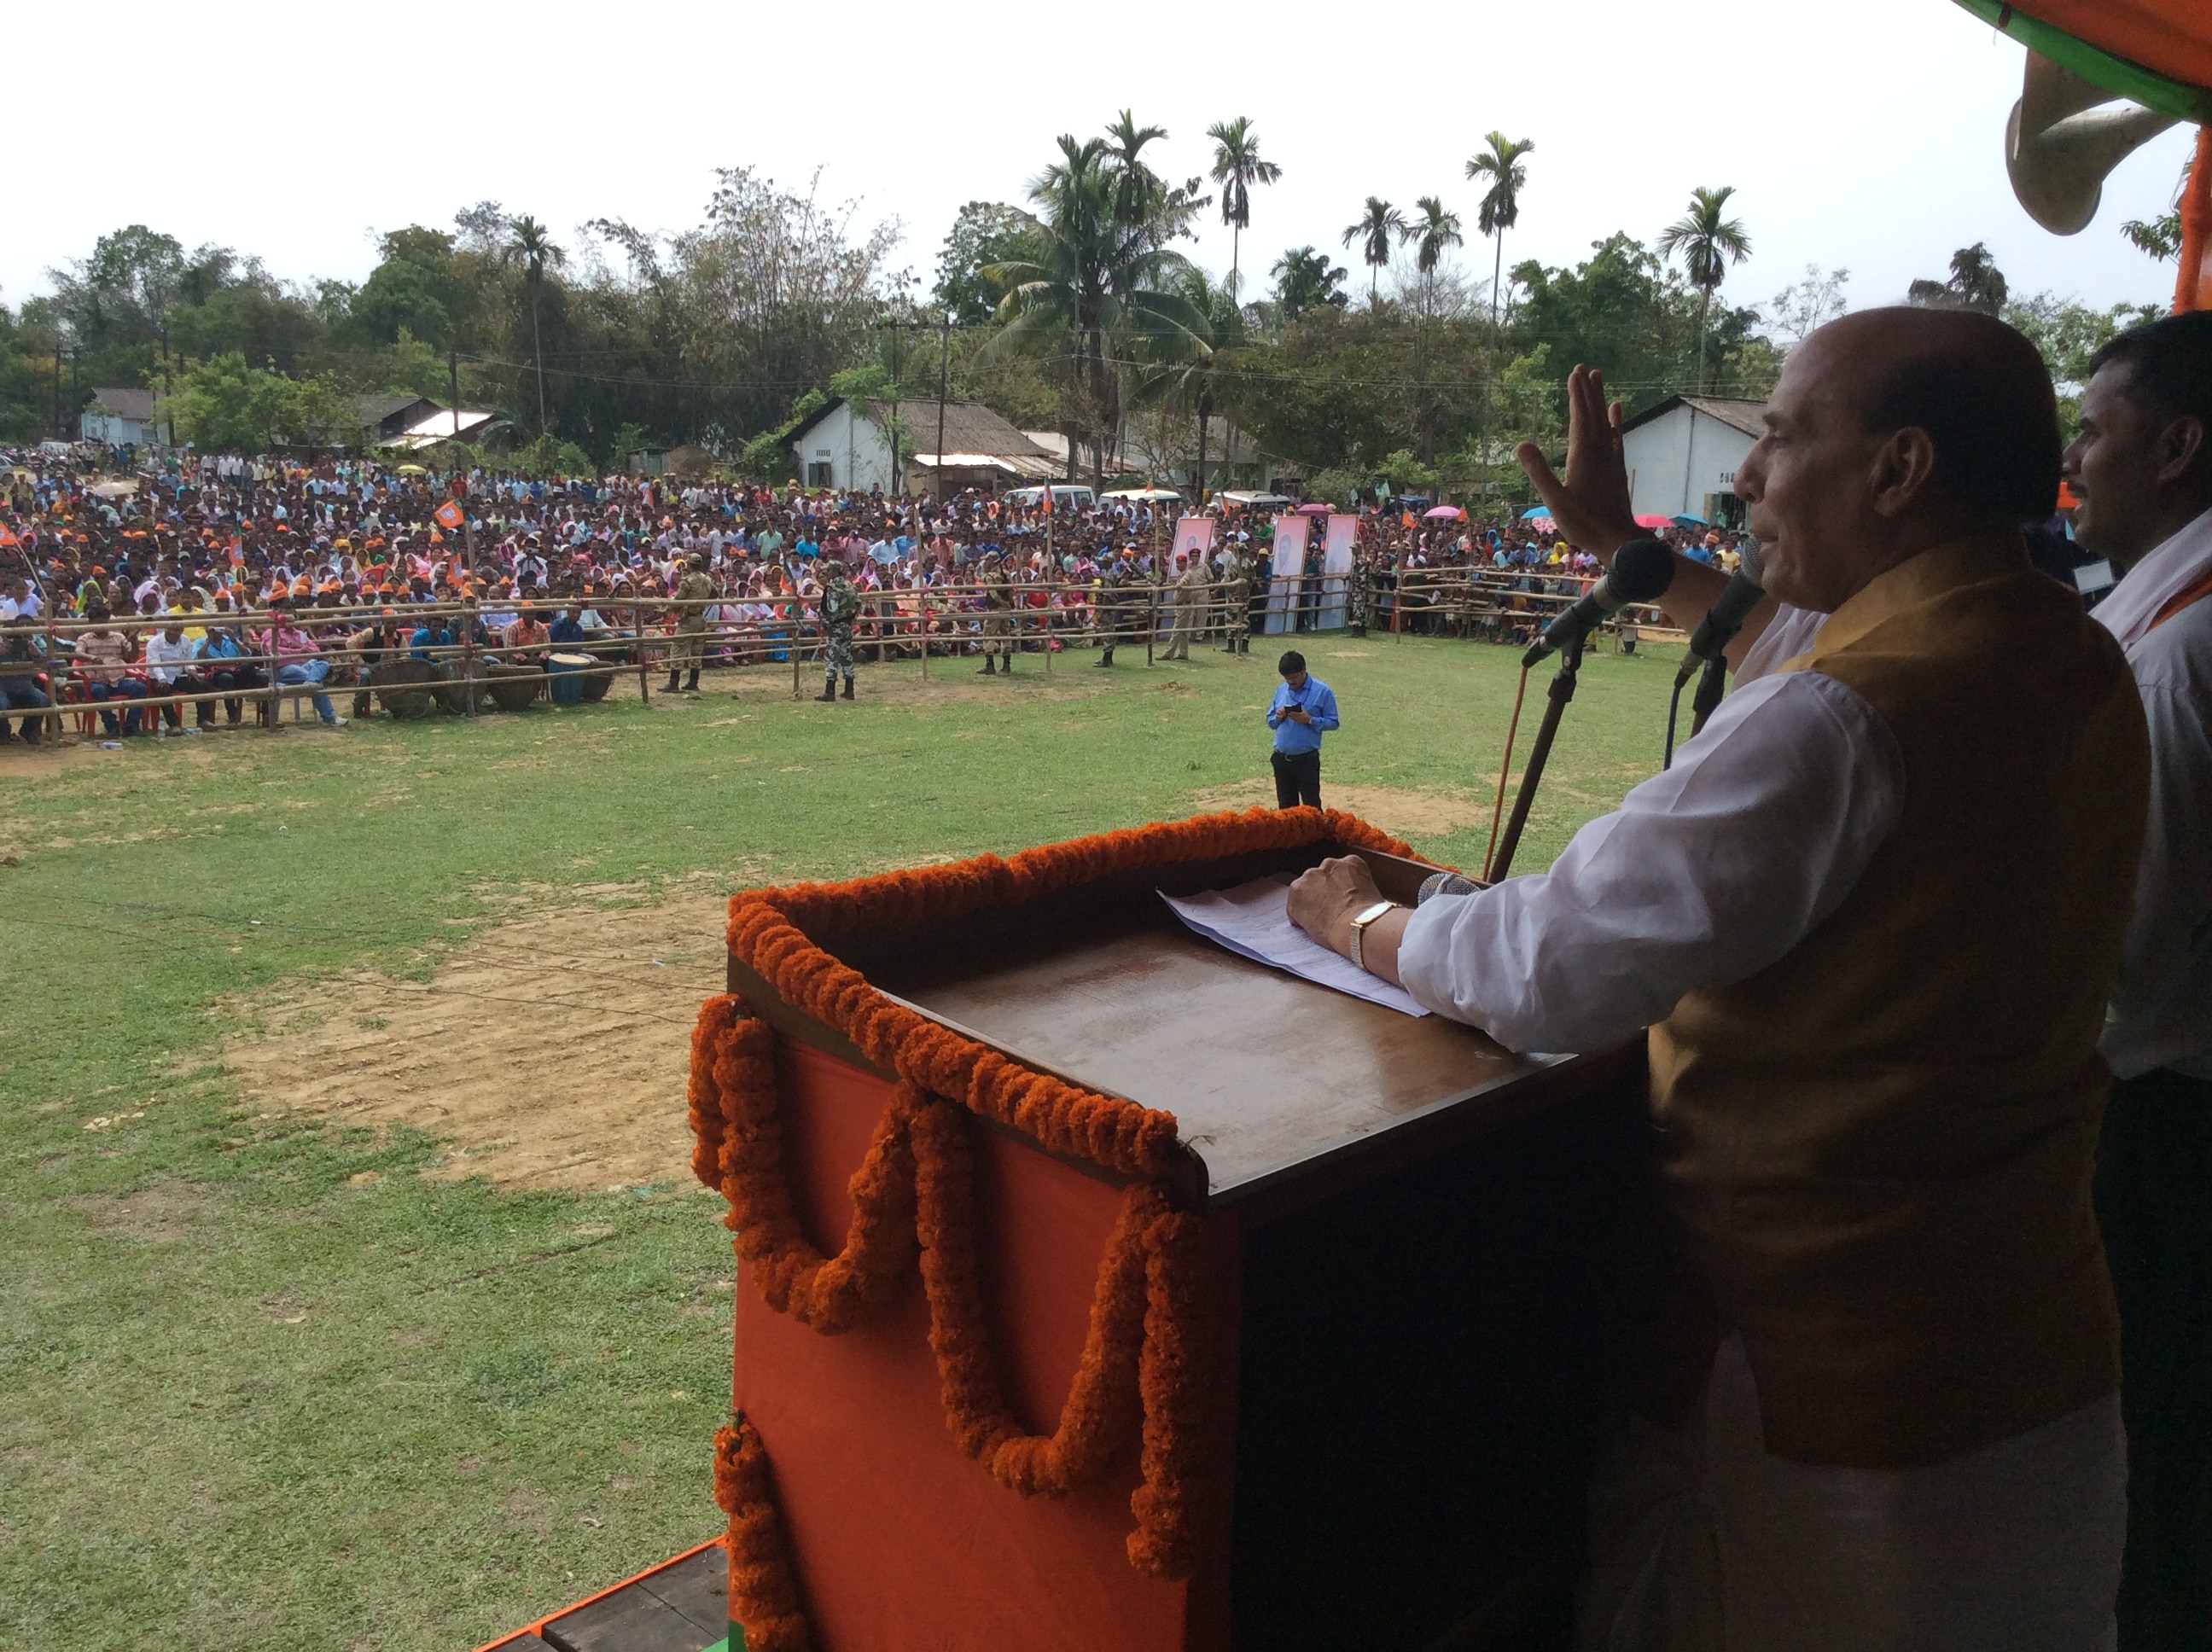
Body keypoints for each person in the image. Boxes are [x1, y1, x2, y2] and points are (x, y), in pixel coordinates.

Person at [1287, 310, 2150, 1651]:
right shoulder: (2070, 653)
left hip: (1824, 1401)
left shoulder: (1846, 718)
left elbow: (1548, 968)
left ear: (1899, 469)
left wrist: (1356, 920)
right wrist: (1620, 554)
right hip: (2021, 1360)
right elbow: (1797, 646)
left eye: (1785, 434)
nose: (1746, 474)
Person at [2062, 309, 2212, 1652]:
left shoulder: (2174, 659)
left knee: (2158, 1468)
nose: (2077, 463)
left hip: (2167, 1135)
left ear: (2177, 445)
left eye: (2095, 432)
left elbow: (2122, 964)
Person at [1266, 649, 1337, 809]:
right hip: (1281, 760)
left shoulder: (1322, 691)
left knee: (1311, 807)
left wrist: (1310, 720)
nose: (1291, 683)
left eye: (1294, 678)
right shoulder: (1281, 690)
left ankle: (1317, 835)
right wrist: (1278, 717)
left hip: (1306, 761)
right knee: (1286, 808)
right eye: (1287, 679)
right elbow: (1270, 721)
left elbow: (1333, 722)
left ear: (1303, 670)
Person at [815, 554, 861, 701]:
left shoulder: (832, 588)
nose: (825, 574)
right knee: (846, 655)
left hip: (836, 626)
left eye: (827, 571)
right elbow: (859, 604)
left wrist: (826, 624)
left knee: (832, 657)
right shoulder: (850, 585)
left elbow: (832, 610)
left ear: (834, 572)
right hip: (848, 625)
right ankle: (849, 690)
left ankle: (830, 691)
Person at [668, 552, 714, 693]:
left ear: (688, 564)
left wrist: (668, 605)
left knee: (678, 648)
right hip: (701, 616)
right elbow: (715, 593)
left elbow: (678, 600)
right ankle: (693, 682)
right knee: (696, 650)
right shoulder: (707, 579)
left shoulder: (687, 581)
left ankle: (673, 683)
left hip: (688, 617)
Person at [0, 623, 49, 742]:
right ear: (4, 637)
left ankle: (28, 731)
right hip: (3, 689)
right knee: (1, 705)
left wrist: (36, 655)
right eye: (11, 637)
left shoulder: (28, 648)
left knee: (42, 700)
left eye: (18, 637)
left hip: (26, 688)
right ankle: (3, 732)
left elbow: (45, 664)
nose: (15, 640)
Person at [976, 549, 1015, 675]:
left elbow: (993, 594)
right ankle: (1006, 665)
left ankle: (990, 665)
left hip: (995, 608)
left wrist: (1002, 603)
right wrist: (1008, 604)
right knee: (1005, 633)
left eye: (987, 560)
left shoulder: (990, 576)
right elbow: (1011, 591)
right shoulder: (1007, 574)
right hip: (1006, 607)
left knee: (988, 634)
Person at [1164, 551, 1206, 660]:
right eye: (1177, 563)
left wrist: (1177, 585)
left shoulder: (1187, 574)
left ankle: (1169, 653)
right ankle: (1183, 653)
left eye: (1180, 563)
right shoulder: (1182, 573)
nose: (1178, 565)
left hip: (1184, 605)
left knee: (1177, 629)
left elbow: (1183, 583)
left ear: (1185, 563)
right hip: (1181, 605)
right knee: (1182, 631)